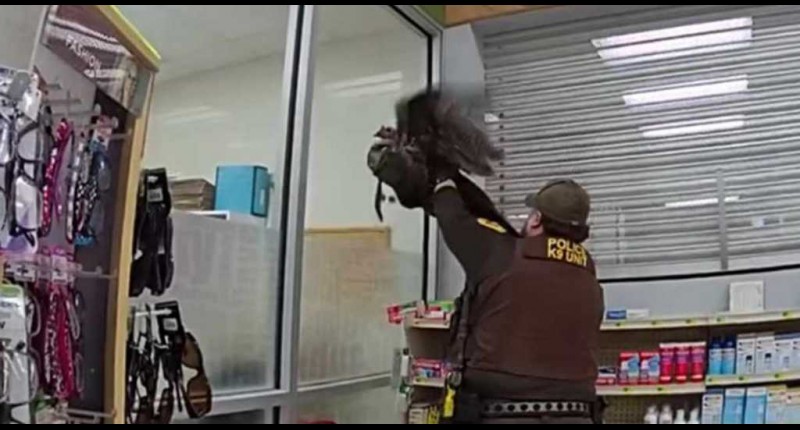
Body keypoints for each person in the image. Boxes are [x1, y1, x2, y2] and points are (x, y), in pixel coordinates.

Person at [432, 177, 604, 424]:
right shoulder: (588, 276)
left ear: (536, 220)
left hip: (501, 413)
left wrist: (444, 183)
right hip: (579, 415)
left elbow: (453, 219)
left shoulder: (501, 253)